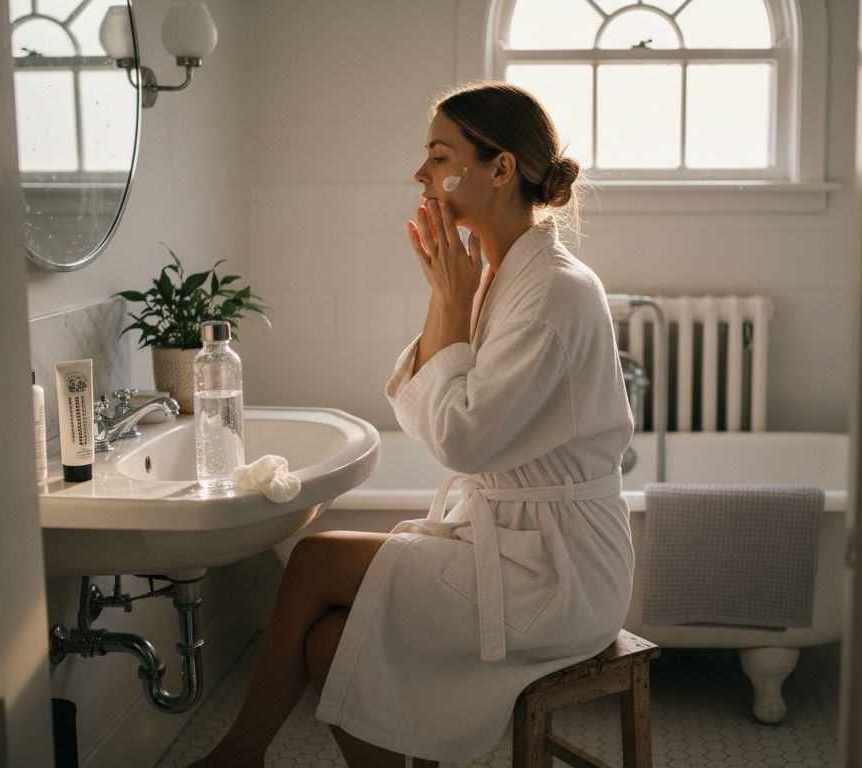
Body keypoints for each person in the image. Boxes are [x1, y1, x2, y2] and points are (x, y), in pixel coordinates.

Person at [191, 81, 635, 767]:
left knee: (312, 560)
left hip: (559, 571)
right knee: (329, 646)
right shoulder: (495, 273)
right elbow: (429, 405)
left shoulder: (551, 290)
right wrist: (445, 298)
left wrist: (448, 307)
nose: (421, 175)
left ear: (500, 169)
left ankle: (236, 757)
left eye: (438, 155)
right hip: (516, 547)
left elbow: (459, 437)